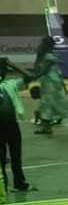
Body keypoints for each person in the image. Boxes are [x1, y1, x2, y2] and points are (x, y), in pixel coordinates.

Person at [33, 36, 68, 135]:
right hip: (47, 85)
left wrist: (32, 77)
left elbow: (43, 71)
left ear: (47, 46)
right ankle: (47, 128)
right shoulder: (44, 56)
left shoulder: (49, 57)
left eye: (42, 44)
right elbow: (39, 69)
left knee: (60, 107)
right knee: (45, 106)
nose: (40, 46)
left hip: (52, 86)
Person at [0, 58, 31, 195]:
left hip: (12, 126)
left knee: (16, 157)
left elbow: (29, 76)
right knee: (1, 159)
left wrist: (13, 64)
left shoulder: (10, 84)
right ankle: (4, 187)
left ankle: (20, 183)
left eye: (3, 70)